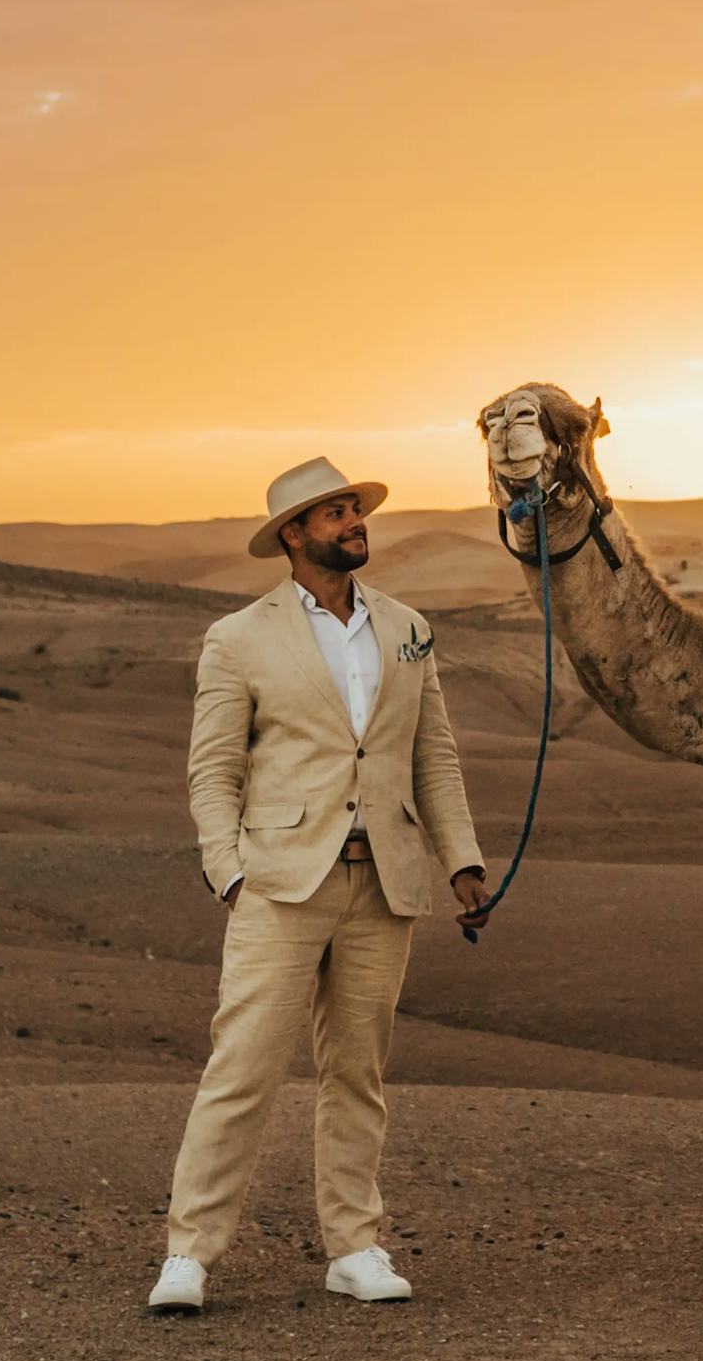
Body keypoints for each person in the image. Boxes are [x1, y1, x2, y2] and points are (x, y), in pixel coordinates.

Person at [149, 457, 489, 1315]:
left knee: (358, 1071)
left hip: (385, 881)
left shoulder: (407, 628)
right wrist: (229, 873)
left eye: (354, 508)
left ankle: (355, 1246)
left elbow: (431, 757)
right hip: (280, 882)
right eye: (332, 514)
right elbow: (213, 771)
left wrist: (462, 860)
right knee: (244, 1067)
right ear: (293, 536)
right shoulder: (239, 638)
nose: (352, 521)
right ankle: (189, 1253)